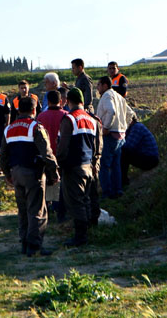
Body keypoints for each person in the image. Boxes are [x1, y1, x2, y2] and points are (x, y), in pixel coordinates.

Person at [0, 97, 59, 257]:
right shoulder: (35, 127)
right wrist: (54, 174)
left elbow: (3, 155)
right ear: (34, 110)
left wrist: (7, 174)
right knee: (37, 210)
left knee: (22, 210)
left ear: (18, 110)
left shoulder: (9, 129)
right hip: (33, 173)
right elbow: (47, 154)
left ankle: (24, 243)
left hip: (16, 173)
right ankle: (35, 246)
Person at [56, 88, 102, 246]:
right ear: (82, 101)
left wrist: (59, 165)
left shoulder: (69, 119)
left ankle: (81, 237)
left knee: (76, 202)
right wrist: (95, 164)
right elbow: (97, 147)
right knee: (88, 199)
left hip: (73, 167)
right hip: (89, 166)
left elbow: (62, 147)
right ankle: (91, 229)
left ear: (68, 101)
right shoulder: (92, 120)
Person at [95, 76, 136, 199]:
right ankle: (118, 190)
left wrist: (106, 127)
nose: (97, 87)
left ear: (105, 85)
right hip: (120, 136)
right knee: (116, 165)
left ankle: (107, 193)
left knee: (104, 165)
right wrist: (124, 127)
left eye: (98, 85)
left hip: (110, 135)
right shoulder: (119, 96)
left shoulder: (107, 95)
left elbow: (111, 111)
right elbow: (131, 114)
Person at [36, 90, 69, 222]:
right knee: (61, 182)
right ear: (61, 101)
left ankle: (48, 207)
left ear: (48, 101)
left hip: (47, 154)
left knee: (49, 181)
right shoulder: (66, 115)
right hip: (62, 154)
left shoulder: (41, 117)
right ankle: (60, 208)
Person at [121, 117, 159, 186]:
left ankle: (123, 181)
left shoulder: (136, 128)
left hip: (150, 159)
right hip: (149, 157)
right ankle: (122, 180)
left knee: (124, 153)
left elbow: (128, 146)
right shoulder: (134, 127)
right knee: (124, 152)